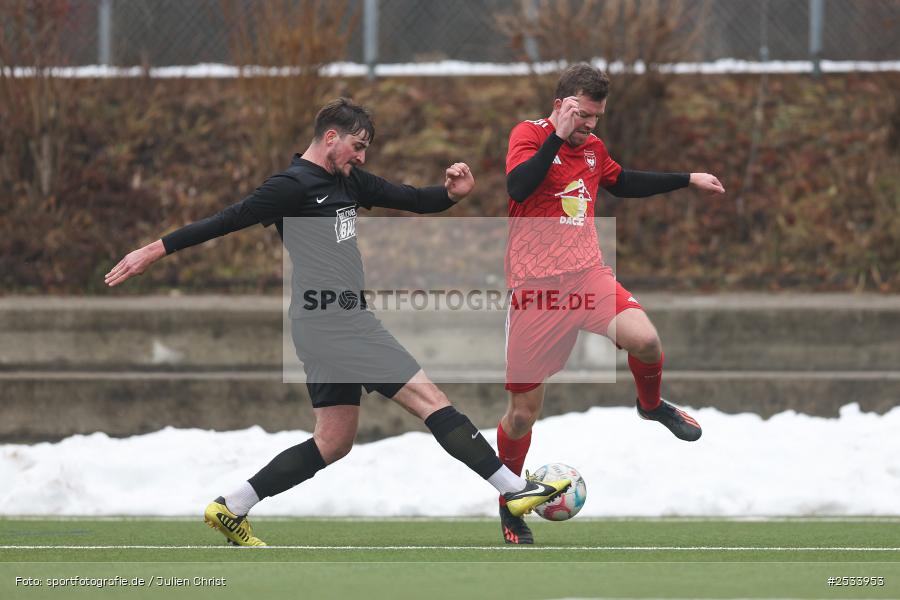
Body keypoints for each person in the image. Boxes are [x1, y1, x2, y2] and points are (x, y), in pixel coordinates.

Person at [104, 98, 570, 546]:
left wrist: (449, 195)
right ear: (331, 137)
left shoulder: (350, 180)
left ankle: (232, 505)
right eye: (358, 146)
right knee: (431, 399)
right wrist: (152, 251)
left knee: (333, 441)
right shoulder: (291, 185)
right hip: (333, 319)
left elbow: (408, 198)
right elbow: (226, 220)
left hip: (326, 322)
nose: (362, 156)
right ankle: (513, 488)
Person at [498, 64, 726, 544]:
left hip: (587, 276)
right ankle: (511, 505)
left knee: (645, 339)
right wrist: (556, 139)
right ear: (561, 105)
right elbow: (518, 187)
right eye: (582, 115)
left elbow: (623, 182)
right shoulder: (530, 134)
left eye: (596, 118)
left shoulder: (594, 149)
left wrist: (687, 178)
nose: (589, 126)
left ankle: (651, 404)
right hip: (537, 291)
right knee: (522, 414)